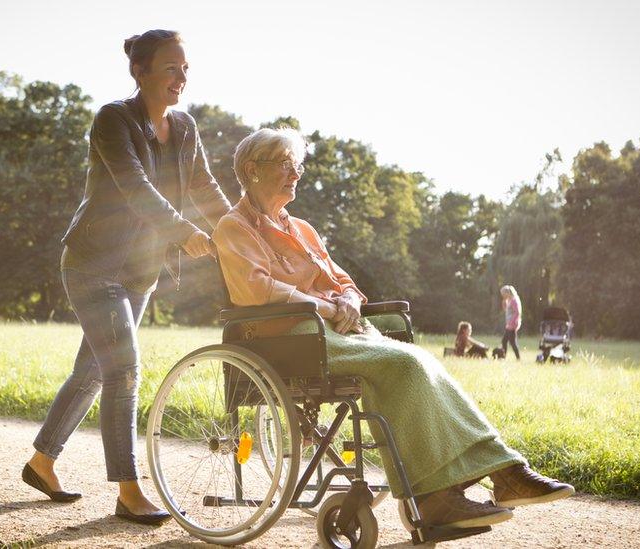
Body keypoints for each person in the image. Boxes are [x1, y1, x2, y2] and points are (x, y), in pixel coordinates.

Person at [213, 128, 573, 529]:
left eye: (297, 164)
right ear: (252, 170)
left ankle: (495, 474)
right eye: (285, 164)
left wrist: (347, 299)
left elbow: (343, 281)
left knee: (416, 360)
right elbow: (258, 289)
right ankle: (447, 494)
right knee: (404, 365)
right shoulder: (233, 228)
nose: (295, 173)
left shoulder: (303, 229)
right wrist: (328, 306)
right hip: (287, 336)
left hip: (330, 328)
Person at [22, 29, 231, 525]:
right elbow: (136, 187)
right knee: (123, 371)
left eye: (185, 67)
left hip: (138, 271)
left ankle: (41, 462)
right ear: (140, 72)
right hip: (93, 264)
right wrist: (184, 232)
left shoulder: (184, 128)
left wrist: (243, 230)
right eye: (170, 67)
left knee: (93, 371)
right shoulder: (113, 120)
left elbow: (205, 186)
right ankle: (128, 490)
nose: (181, 77)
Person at [500, 285, 522, 360]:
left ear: (507, 293)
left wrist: (512, 322)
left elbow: (517, 312)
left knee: (512, 342)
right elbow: (507, 311)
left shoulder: (514, 300)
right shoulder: (509, 300)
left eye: (503, 294)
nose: (502, 295)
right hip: (509, 324)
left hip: (512, 325)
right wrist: (504, 303)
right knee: (504, 341)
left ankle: (518, 358)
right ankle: (503, 356)